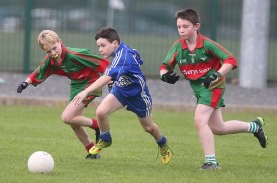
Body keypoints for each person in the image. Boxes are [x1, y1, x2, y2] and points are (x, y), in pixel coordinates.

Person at [159, 8, 268, 170]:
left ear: (196, 26)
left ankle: (211, 162)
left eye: (185, 26)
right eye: (179, 27)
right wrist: (165, 76)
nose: (181, 30)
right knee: (218, 128)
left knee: (199, 120)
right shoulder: (177, 47)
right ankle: (254, 126)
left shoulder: (207, 44)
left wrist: (216, 75)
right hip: (199, 90)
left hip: (213, 87)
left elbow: (230, 60)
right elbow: (164, 66)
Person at [73, 27, 172, 164]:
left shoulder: (123, 57)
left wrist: (86, 91)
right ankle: (105, 139)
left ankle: (163, 143)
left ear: (114, 43)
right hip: (120, 91)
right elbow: (136, 55)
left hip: (138, 95)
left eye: (103, 45)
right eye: (98, 46)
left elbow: (106, 77)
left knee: (148, 128)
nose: (100, 49)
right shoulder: (122, 50)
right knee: (101, 112)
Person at [16, 30, 110, 159]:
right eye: (49, 51)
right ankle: (92, 152)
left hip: (90, 83)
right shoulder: (51, 59)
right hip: (76, 85)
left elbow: (102, 64)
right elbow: (40, 70)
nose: (53, 53)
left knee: (66, 117)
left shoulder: (75, 55)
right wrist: (25, 83)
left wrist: (113, 78)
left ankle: (97, 126)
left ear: (60, 42)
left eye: (54, 48)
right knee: (73, 123)